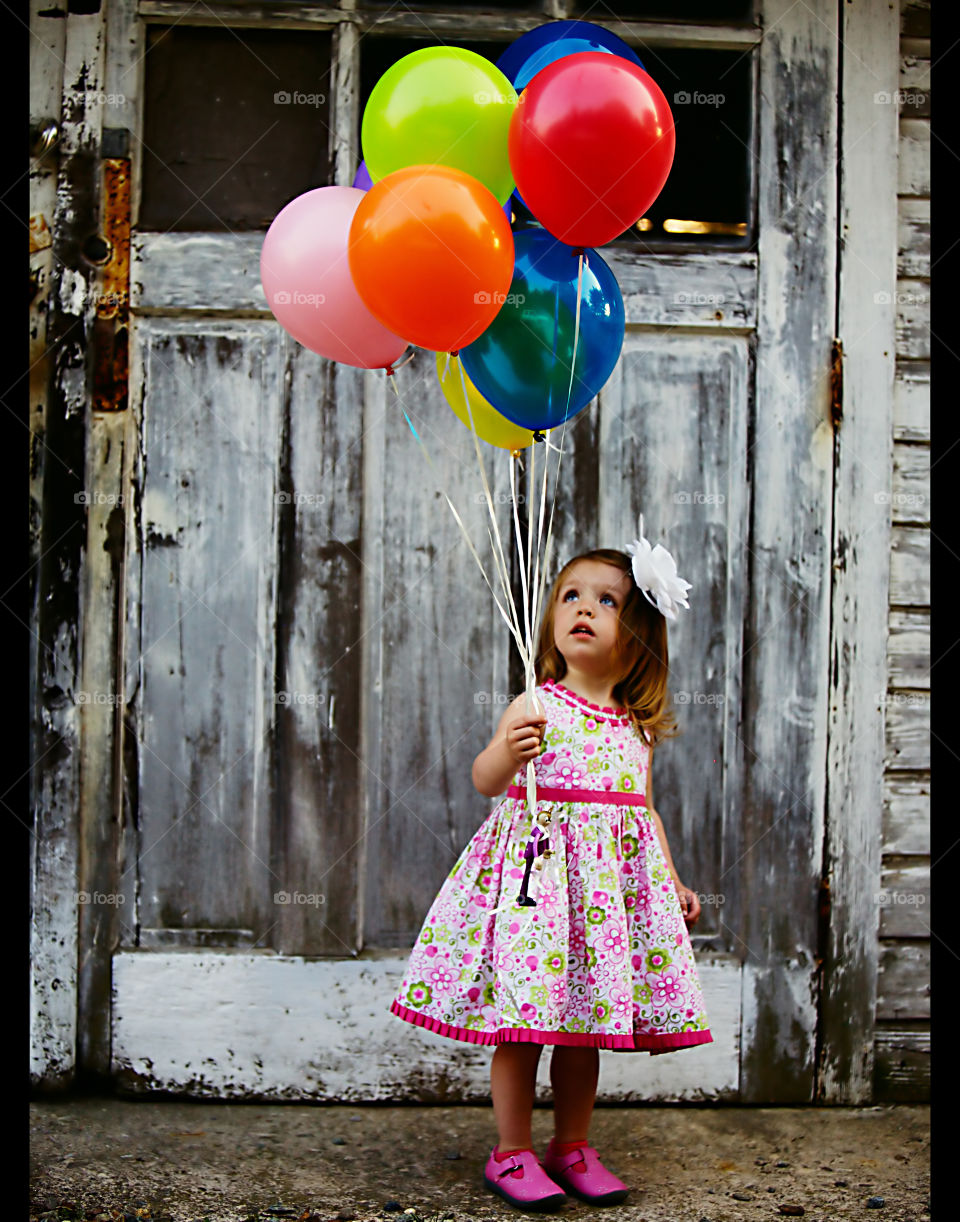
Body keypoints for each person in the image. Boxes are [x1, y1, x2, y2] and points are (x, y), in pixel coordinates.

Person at [389, 526, 712, 1212]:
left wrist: (673, 878)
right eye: (571, 596)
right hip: (534, 896)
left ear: (642, 635)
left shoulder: (638, 728)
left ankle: (572, 1145)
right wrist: (509, 749)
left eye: (608, 601)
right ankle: (510, 1152)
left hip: (599, 908)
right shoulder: (536, 706)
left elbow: (644, 815)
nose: (584, 609)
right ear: (552, 619)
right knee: (524, 1023)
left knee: (583, 1026)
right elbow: (483, 780)